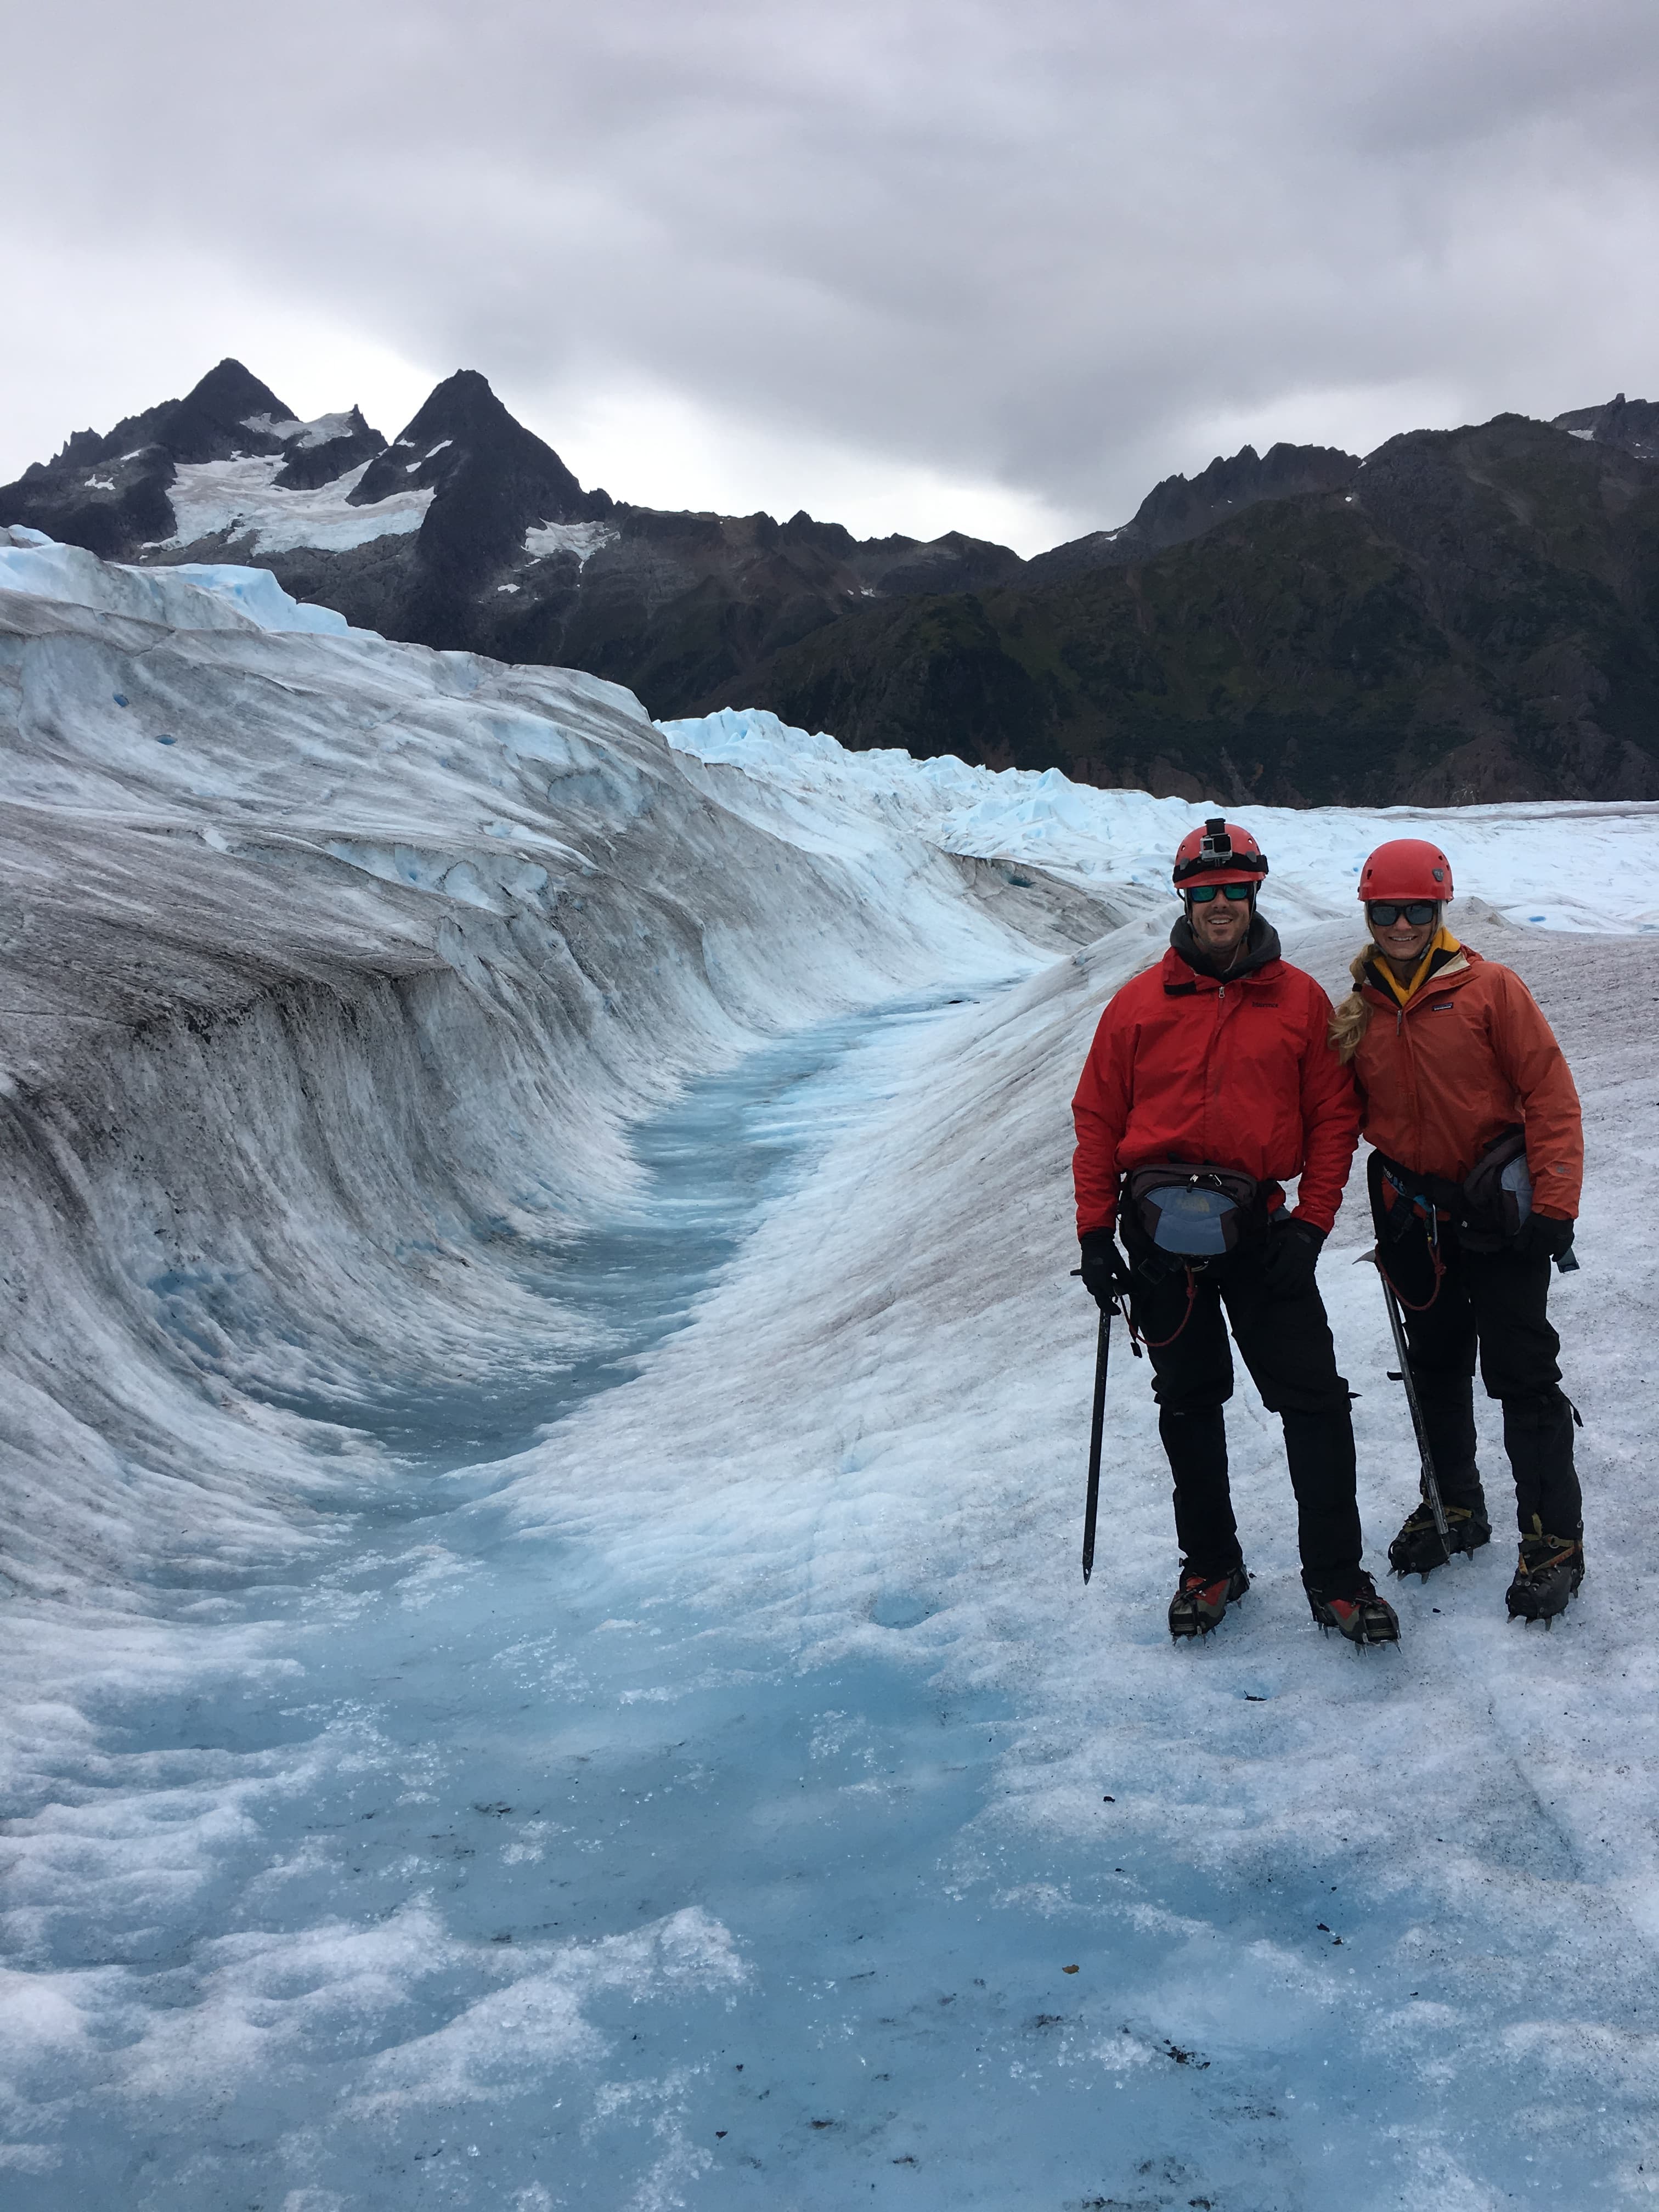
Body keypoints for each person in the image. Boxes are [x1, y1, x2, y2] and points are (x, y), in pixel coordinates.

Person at [1072, 816, 1398, 1646]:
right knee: (1189, 1403)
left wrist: (1311, 1226)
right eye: (1205, 890)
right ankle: (1212, 1565)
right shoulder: (1137, 1005)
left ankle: (1336, 1576)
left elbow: (1334, 1118)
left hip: (1261, 1234)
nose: (1220, 904)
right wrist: (1094, 1236)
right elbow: (1098, 1120)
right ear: (1184, 898)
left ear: (1254, 893)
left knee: (1314, 1402)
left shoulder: (1299, 1001)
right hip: (1159, 1242)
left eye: (1234, 889)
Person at [1330, 839, 1585, 1623]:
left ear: (1440, 910)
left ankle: (1553, 1543)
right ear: (1370, 914)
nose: (1401, 923)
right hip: (1416, 1221)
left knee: (1523, 1375)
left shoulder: (1490, 990)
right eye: (1386, 910)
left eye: (1417, 909)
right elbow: (1336, 1114)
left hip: (1498, 1218)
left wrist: (1556, 1204)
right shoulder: (1360, 1009)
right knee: (1436, 1369)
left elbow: (1549, 1094)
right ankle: (1455, 1509)